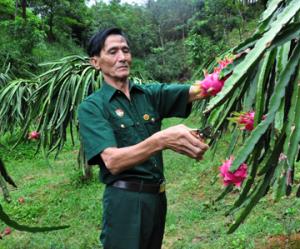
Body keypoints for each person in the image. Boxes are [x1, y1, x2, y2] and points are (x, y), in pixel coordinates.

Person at [78, 27, 209, 249]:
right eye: (112, 52)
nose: (122, 57)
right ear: (96, 62)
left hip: (157, 198)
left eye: (125, 50)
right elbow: (112, 161)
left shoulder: (148, 94)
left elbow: (200, 91)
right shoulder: (92, 107)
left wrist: (238, 65)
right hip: (125, 201)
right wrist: (162, 140)